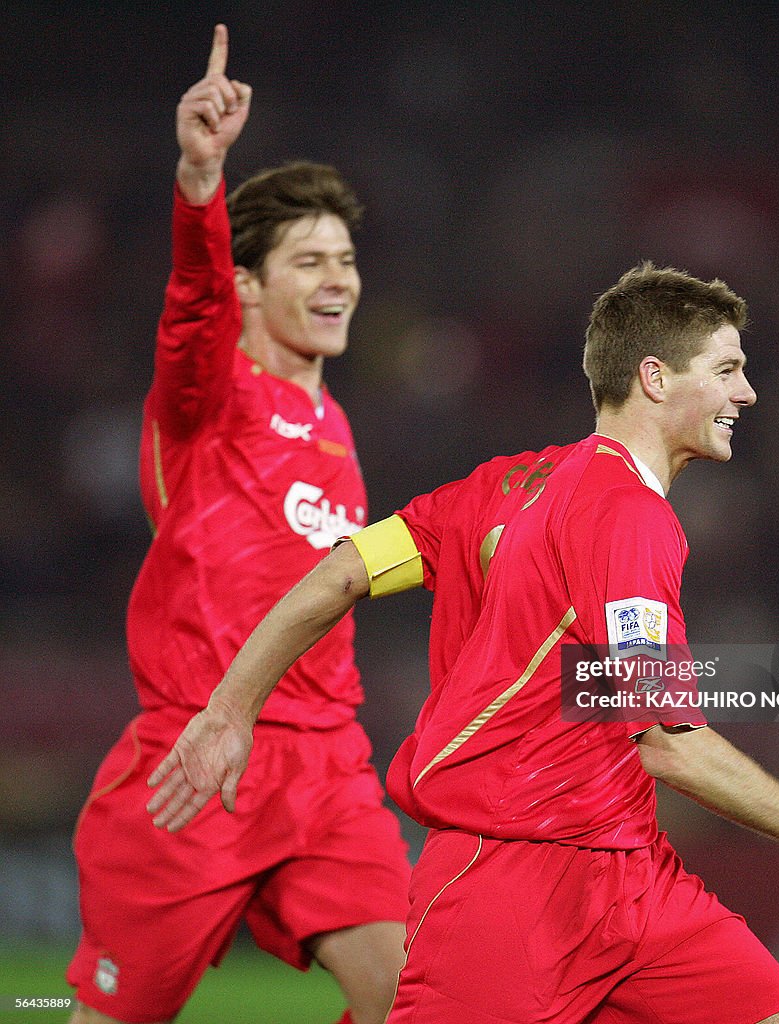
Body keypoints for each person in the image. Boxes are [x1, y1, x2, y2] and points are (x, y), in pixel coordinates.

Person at [147, 262, 779, 1024]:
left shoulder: (501, 485)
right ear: (653, 377)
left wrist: (230, 710)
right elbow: (671, 745)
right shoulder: (628, 517)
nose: (746, 392)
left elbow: (340, 574)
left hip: (633, 877)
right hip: (511, 883)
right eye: (724, 369)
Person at [67, 25, 411, 1024]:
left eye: (345, 258)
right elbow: (191, 306)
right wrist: (200, 178)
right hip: (196, 761)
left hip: (327, 770)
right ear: (251, 285)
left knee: (424, 997)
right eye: (309, 260)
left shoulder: (335, 420)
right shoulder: (208, 394)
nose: (339, 279)